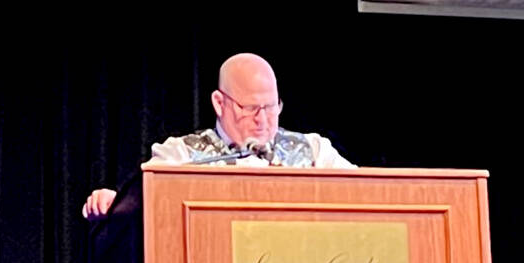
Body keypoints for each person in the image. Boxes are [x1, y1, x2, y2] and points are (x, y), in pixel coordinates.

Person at [82, 53, 355, 219]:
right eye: (249, 108)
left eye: (271, 107)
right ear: (219, 103)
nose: (262, 120)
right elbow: (144, 200)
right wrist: (116, 205)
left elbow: (365, 193)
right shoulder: (181, 155)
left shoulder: (314, 151)